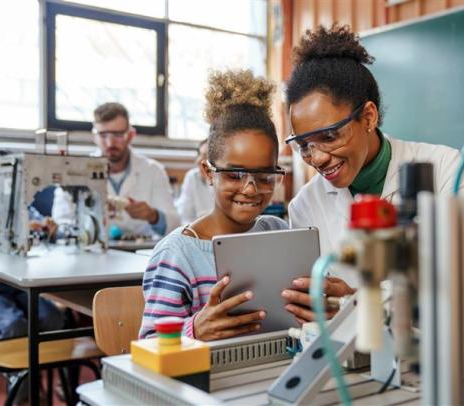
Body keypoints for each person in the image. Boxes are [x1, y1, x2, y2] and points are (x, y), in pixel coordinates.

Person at [281, 25, 464, 324]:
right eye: (304, 146)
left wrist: (360, 302)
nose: (317, 158)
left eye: (330, 136)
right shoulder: (305, 206)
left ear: (368, 117)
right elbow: (313, 305)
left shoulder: (442, 167)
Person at [139, 70, 288, 341]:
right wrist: (194, 330)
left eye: (265, 177)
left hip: (274, 374)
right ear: (208, 173)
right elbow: (149, 345)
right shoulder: (178, 255)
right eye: (234, 175)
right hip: (202, 381)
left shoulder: (278, 231)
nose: (250, 189)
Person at [0, 150, 65, 339]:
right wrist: (12, 231)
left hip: (20, 287)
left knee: (52, 318)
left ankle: (38, 367)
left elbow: (48, 230)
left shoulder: (26, 210)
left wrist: (50, 229)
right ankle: (16, 368)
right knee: (14, 325)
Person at [52, 102, 180, 239]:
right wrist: (90, 219)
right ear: (94, 137)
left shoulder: (153, 170)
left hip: (140, 252)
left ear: (131, 135)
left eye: (118, 135)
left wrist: (153, 216)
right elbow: (61, 222)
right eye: (103, 135)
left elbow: (174, 226)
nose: (110, 143)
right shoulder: (75, 172)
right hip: (93, 251)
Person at [175, 138, 215, 224]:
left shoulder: (230, 181)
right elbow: (183, 215)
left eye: (206, 156)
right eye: (199, 155)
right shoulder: (192, 177)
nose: (198, 160)